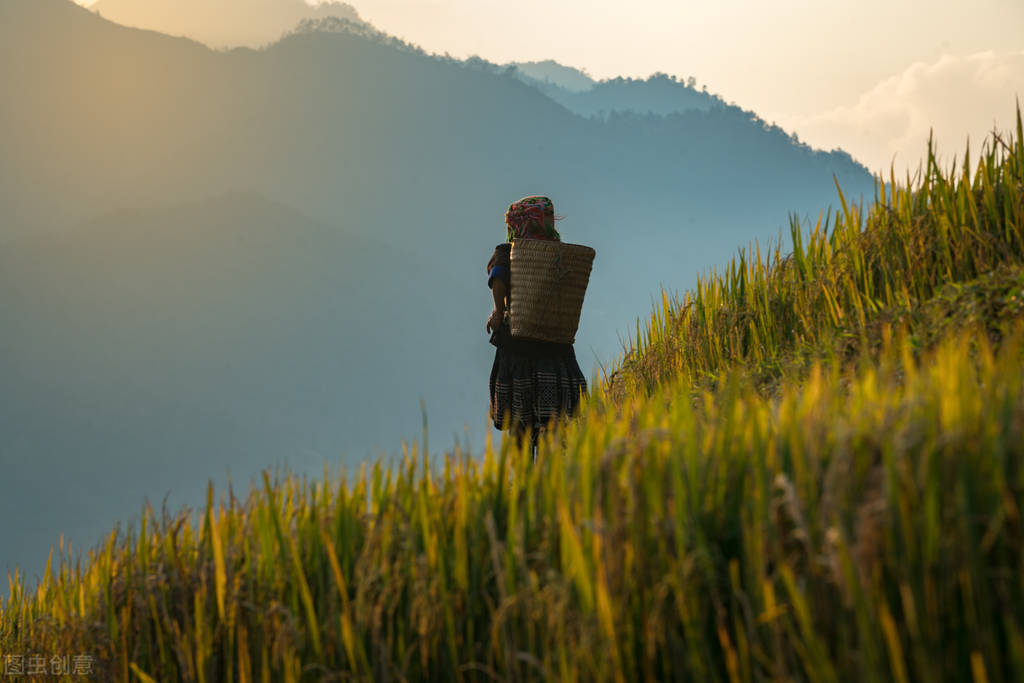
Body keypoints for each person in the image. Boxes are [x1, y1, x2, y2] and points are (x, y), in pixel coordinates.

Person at [485, 196, 588, 459]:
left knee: (520, 424)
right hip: (556, 349)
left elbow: (498, 279)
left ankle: (523, 483)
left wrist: (498, 312)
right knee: (554, 422)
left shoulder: (508, 251)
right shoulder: (559, 254)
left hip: (519, 349)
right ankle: (552, 475)